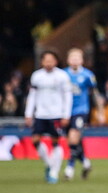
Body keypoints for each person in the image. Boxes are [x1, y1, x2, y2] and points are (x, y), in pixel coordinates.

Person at [24, 51, 72, 184]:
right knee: (35, 140)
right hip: (40, 114)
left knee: (56, 142)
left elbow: (67, 96)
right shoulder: (37, 76)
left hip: (56, 114)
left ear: (56, 61)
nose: (49, 63)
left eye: (51, 60)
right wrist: (28, 114)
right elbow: (32, 96)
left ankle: (54, 172)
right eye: (46, 60)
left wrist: (66, 114)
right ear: (42, 62)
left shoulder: (62, 76)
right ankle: (50, 164)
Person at [63, 48, 99, 180]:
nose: (75, 60)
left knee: (73, 138)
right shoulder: (63, 74)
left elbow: (94, 92)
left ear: (82, 60)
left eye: (77, 58)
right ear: (68, 60)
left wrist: (99, 109)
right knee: (74, 141)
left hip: (81, 111)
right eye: (72, 57)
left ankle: (69, 168)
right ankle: (85, 162)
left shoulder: (88, 75)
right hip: (65, 112)